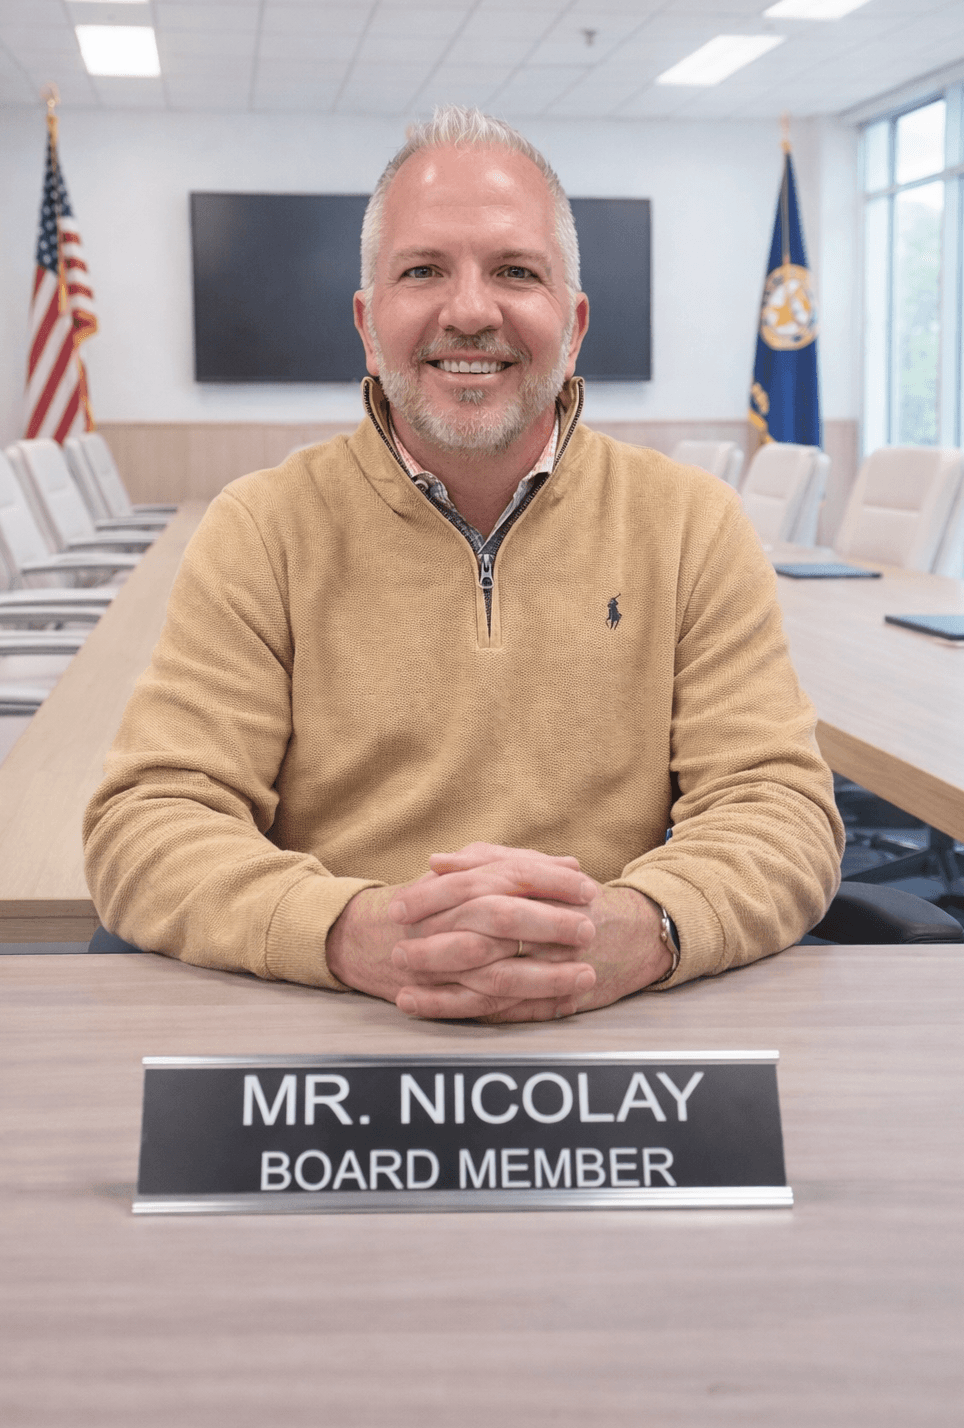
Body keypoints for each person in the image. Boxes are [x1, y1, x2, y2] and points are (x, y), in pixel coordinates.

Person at [83, 106, 843, 1023]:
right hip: (333, 1029)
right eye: (423, 271)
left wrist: (636, 930)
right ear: (369, 324)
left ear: (575, 323)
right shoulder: (262, 530)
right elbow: (148, 820)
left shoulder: (692, 525)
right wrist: (360, 932)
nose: (472, 310)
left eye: (516, 272)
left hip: (617, 1023)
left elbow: (781, 809)